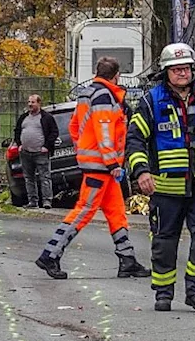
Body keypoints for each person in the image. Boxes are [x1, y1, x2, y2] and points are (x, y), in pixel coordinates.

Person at [127, 43, 195, 312]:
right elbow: (135, 139)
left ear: (192, 69)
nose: (182, 73)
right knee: (164, 241)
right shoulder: (152, 101)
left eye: (185, 68)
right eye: (176, 69)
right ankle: (163, 293)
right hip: (166, 186)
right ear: (166, 72)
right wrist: (141, 172)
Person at [35, 57, 152, 280]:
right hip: (102, 167)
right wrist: (111, 163)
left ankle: (127, 260)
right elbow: (105, 132)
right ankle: (50, 254)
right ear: (116, 75)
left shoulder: (86, 94)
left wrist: (84, 150)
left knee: (116, 212)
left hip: (97, 164)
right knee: (84, 211)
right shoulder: (104, 96)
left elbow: (75, 126)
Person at [13, 94, 60, 208]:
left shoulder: (46, 117)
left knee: (45, 177)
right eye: (29, 102)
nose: (30, 104)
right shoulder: (23, 117)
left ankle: (47, 201)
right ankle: (32, 201)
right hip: (25, 152)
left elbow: (54, 132)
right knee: (29, 178)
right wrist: (19, 144)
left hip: (41, 153)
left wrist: (46, 146)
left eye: (33, 102)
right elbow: (17, 131)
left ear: (39, 103)